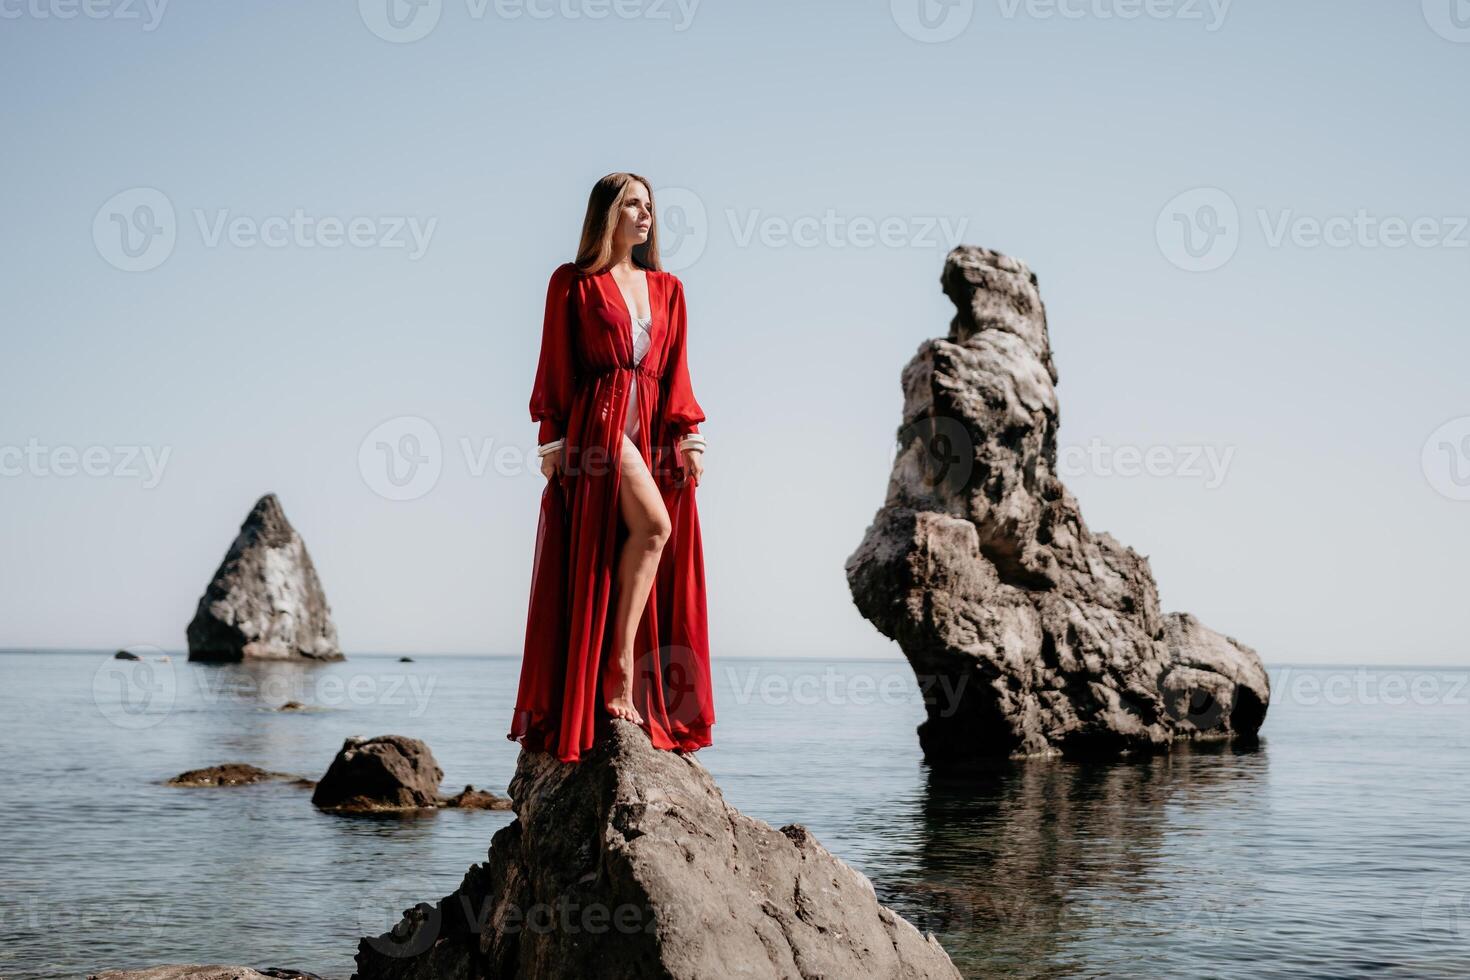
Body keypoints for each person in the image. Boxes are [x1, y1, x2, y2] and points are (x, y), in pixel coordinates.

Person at [507, 172, 715, 764]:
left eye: (649, 206)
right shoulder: (572, 284)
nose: (645, 215)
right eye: (632, 205)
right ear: (606, 216)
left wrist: (689, 434)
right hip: (598, 431)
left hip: (649, 430)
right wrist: (551, 442)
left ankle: (624, 668)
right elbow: (555, 361)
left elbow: (676, 369)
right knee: (654, 528)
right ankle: (618, 667)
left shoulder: (668, 287)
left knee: (641, 543)